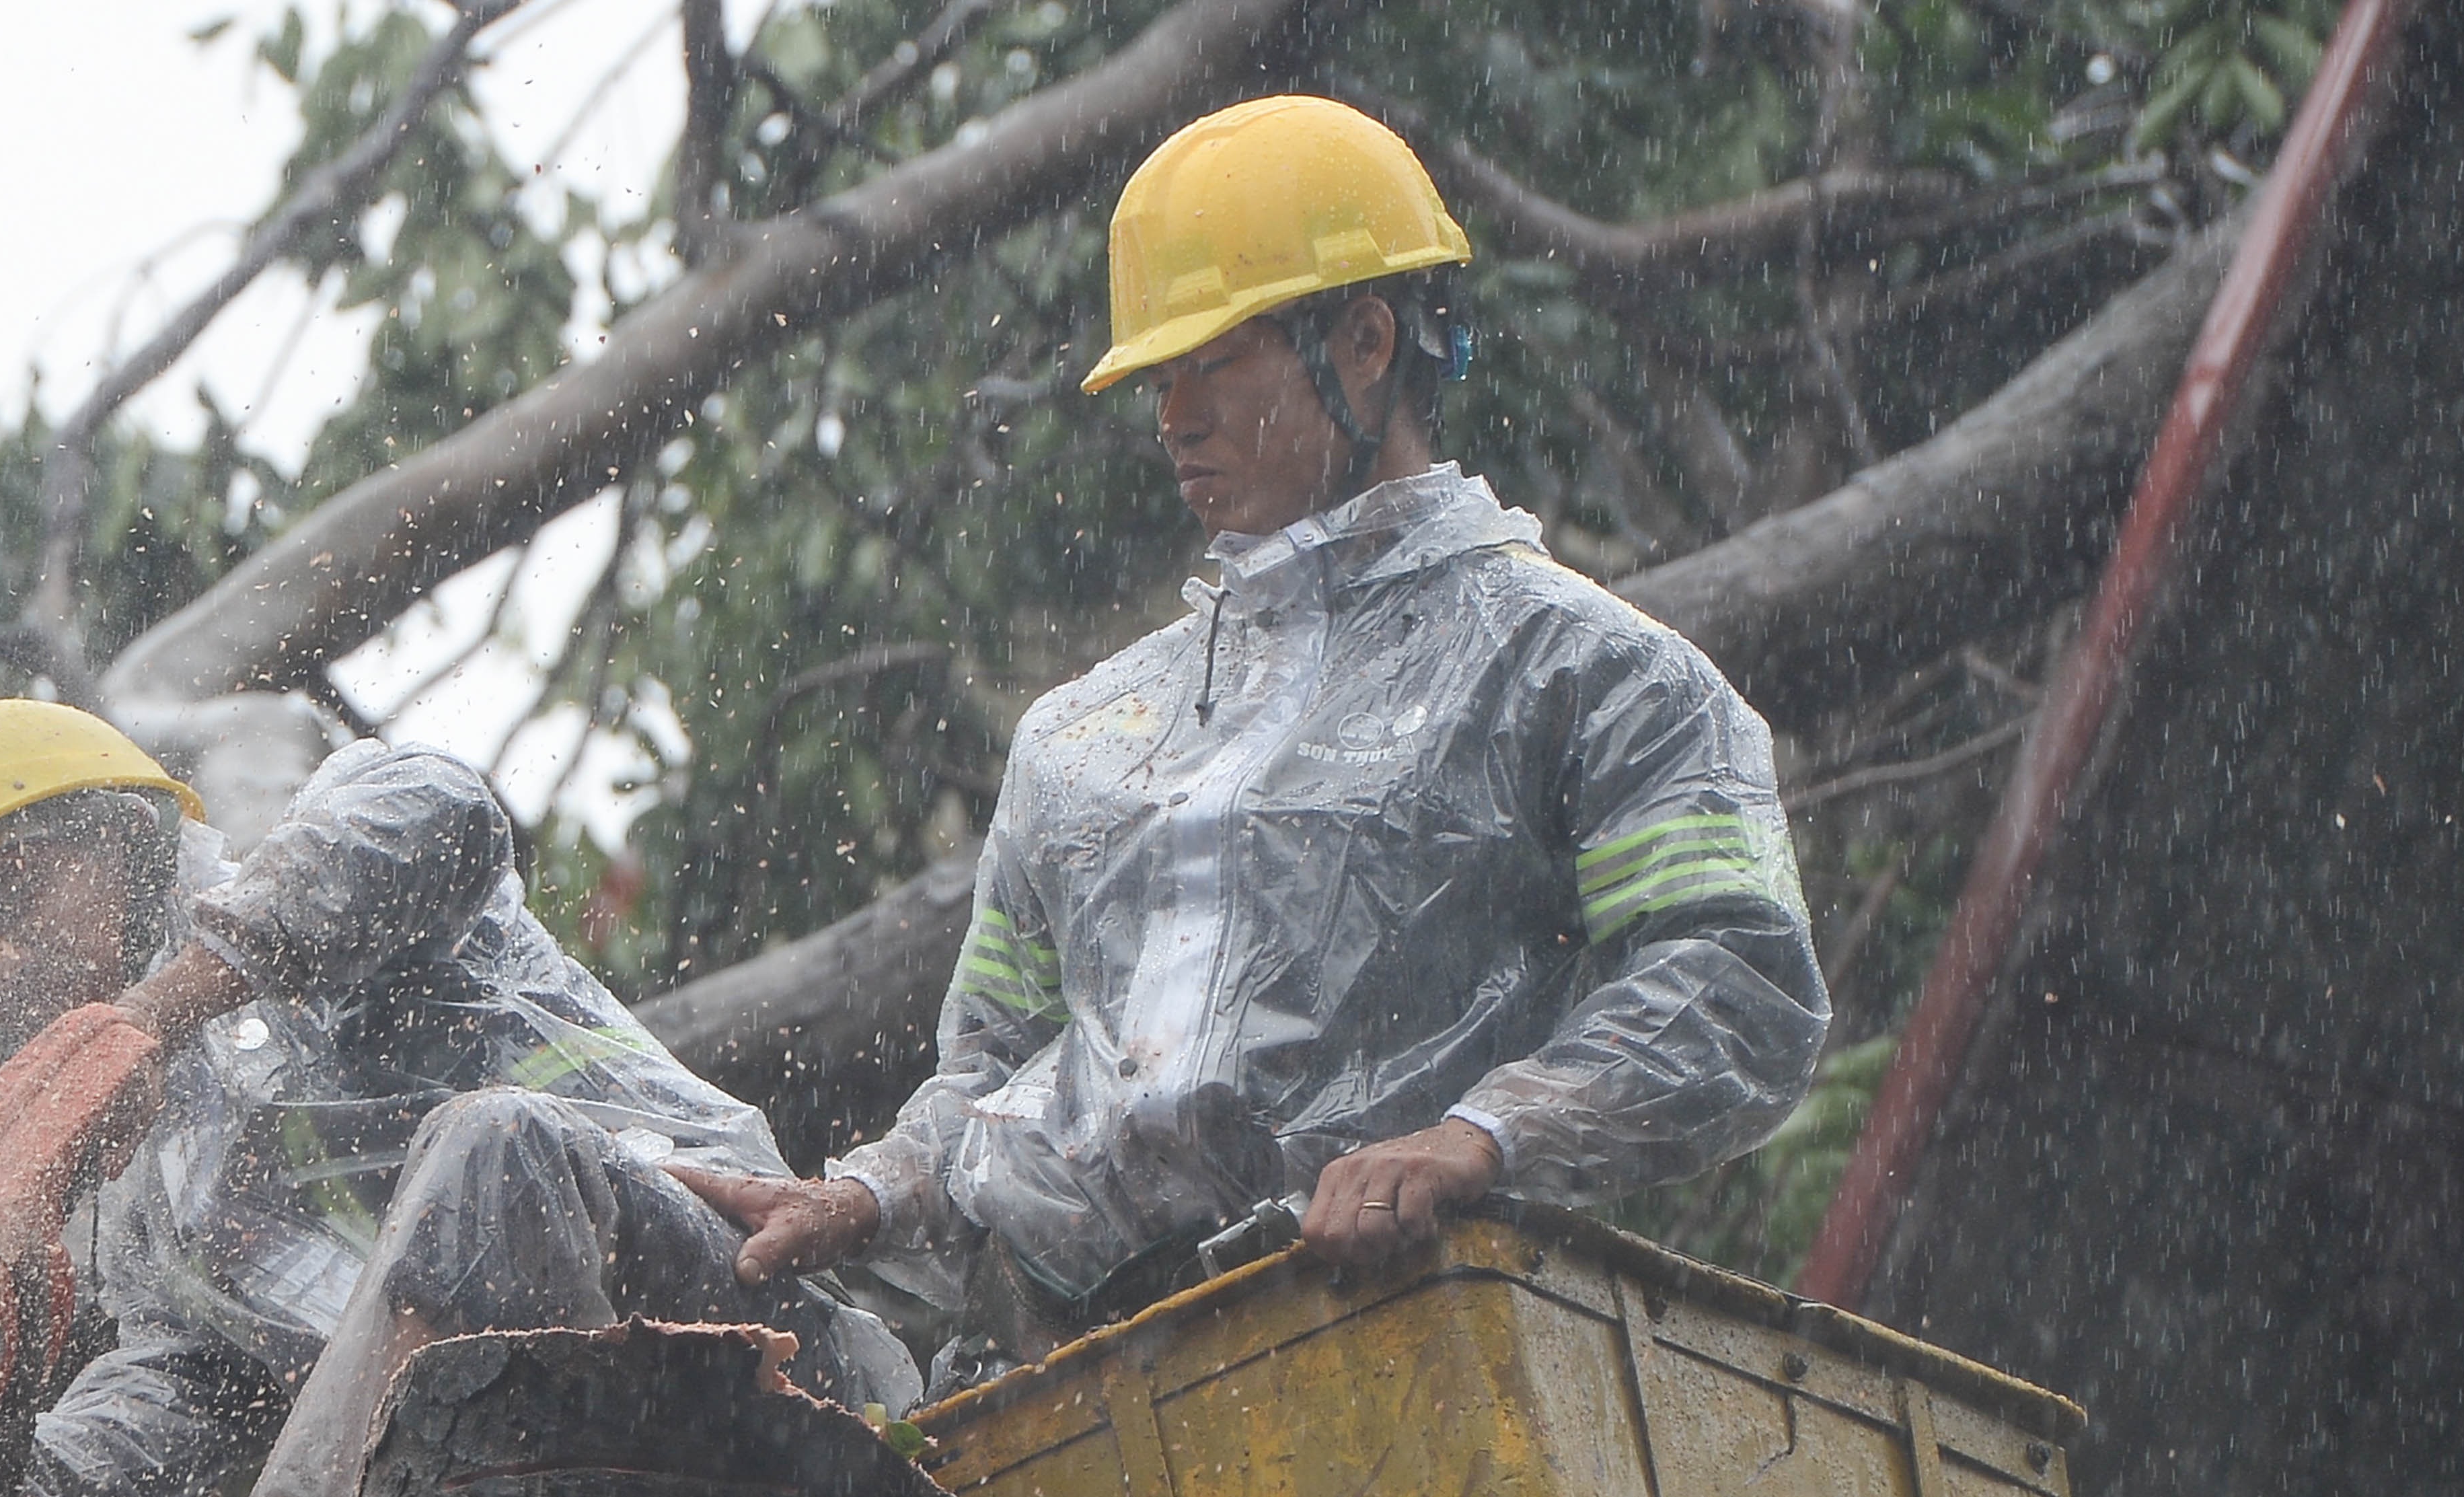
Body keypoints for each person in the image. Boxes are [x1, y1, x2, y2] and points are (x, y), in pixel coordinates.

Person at [683, 96, 1826, 1369]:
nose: (1173, 417)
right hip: (1053, 1384)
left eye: (1214, 362)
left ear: (1366, 341)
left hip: (1405, 1359)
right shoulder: (1081, 739)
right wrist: (869, 1195)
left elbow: (1736, 982)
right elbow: (993, 1070)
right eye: (1158, 379)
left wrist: (1474, 1140)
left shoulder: (1591, 674)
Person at [0, 700, 922, 1497]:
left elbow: (439, 809)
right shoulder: (156, 1205)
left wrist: (149, 1017)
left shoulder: (324, 869)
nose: (6, 955)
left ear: (122, 837)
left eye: (17, 892)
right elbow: (172, 1409)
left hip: (749, 1351)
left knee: (495, 1145)